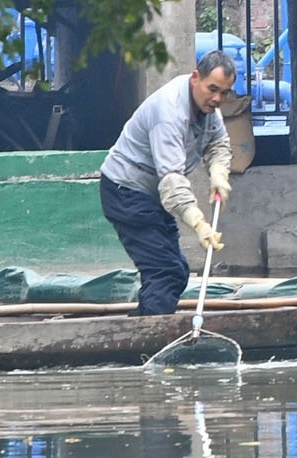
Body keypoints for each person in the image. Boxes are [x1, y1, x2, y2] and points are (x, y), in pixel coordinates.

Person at [96, 51, 237, 315]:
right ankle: (149, 342)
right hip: (126, 190)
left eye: (225, 93)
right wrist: (198, 222)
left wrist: (219, 173)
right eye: (213, 89)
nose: (218, 98)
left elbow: (218, 143)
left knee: (177, 270)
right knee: (166, 272)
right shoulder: (169, 111)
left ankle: (143, 325)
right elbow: (171, 180)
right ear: (196, 77)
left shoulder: (208, 107)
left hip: (152, 196)